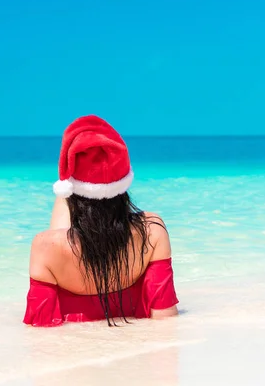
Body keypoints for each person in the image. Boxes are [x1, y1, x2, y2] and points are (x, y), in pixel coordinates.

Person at [23, 114, 179, 327]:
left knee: (59, 234)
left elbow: (40, 331)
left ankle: (78, 186)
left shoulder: (44, 246)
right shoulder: (152, 230)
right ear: (123, 185)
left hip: (74, 354)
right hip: (135, 350)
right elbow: (166, 318)